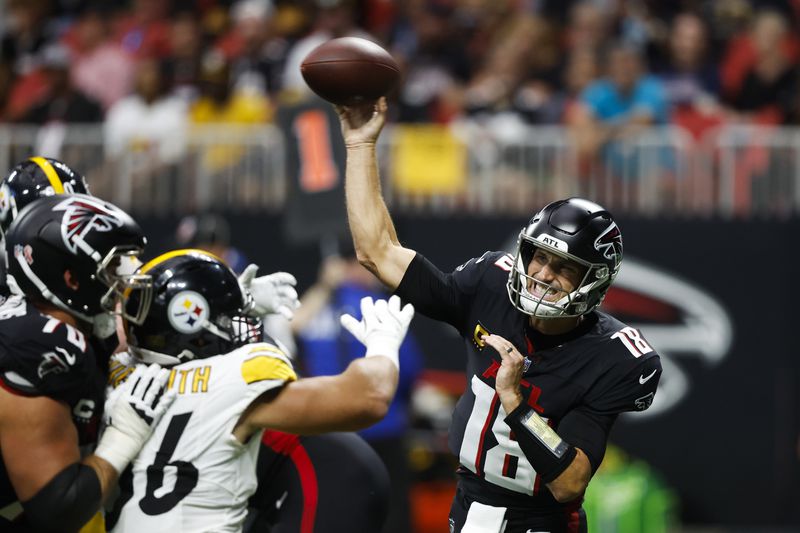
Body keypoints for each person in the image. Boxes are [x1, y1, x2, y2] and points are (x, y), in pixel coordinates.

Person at [336, 98, 663, 532]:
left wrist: (515, 402)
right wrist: (360, 146)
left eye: (565, 268)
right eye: (539, 258)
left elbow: (571, 483)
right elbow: (377, 252)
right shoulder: (489, 286)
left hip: (541, 522)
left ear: (596, 282)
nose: (543, 276)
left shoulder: (616, 357)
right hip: (468, 507)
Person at [107, 249, 414, 532]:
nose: (242, 323)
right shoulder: (235, 378)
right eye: (230, 317)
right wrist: (383, 343)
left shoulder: (124, 375)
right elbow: (368, 397)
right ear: (191, 324)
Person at [0, 193, 174, 532]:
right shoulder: (43, 343)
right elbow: (59, 509)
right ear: (72, 279)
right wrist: (123, 437)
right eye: (111, 270)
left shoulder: (33, 320)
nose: (124, 282)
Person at [290, 251, 423, 533]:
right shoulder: (377, 305)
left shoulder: (318, 306)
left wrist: (324, 286)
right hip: (381, 427)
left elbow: (289, 331)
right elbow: (409, 369)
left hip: (330, 431)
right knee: (391, 516)